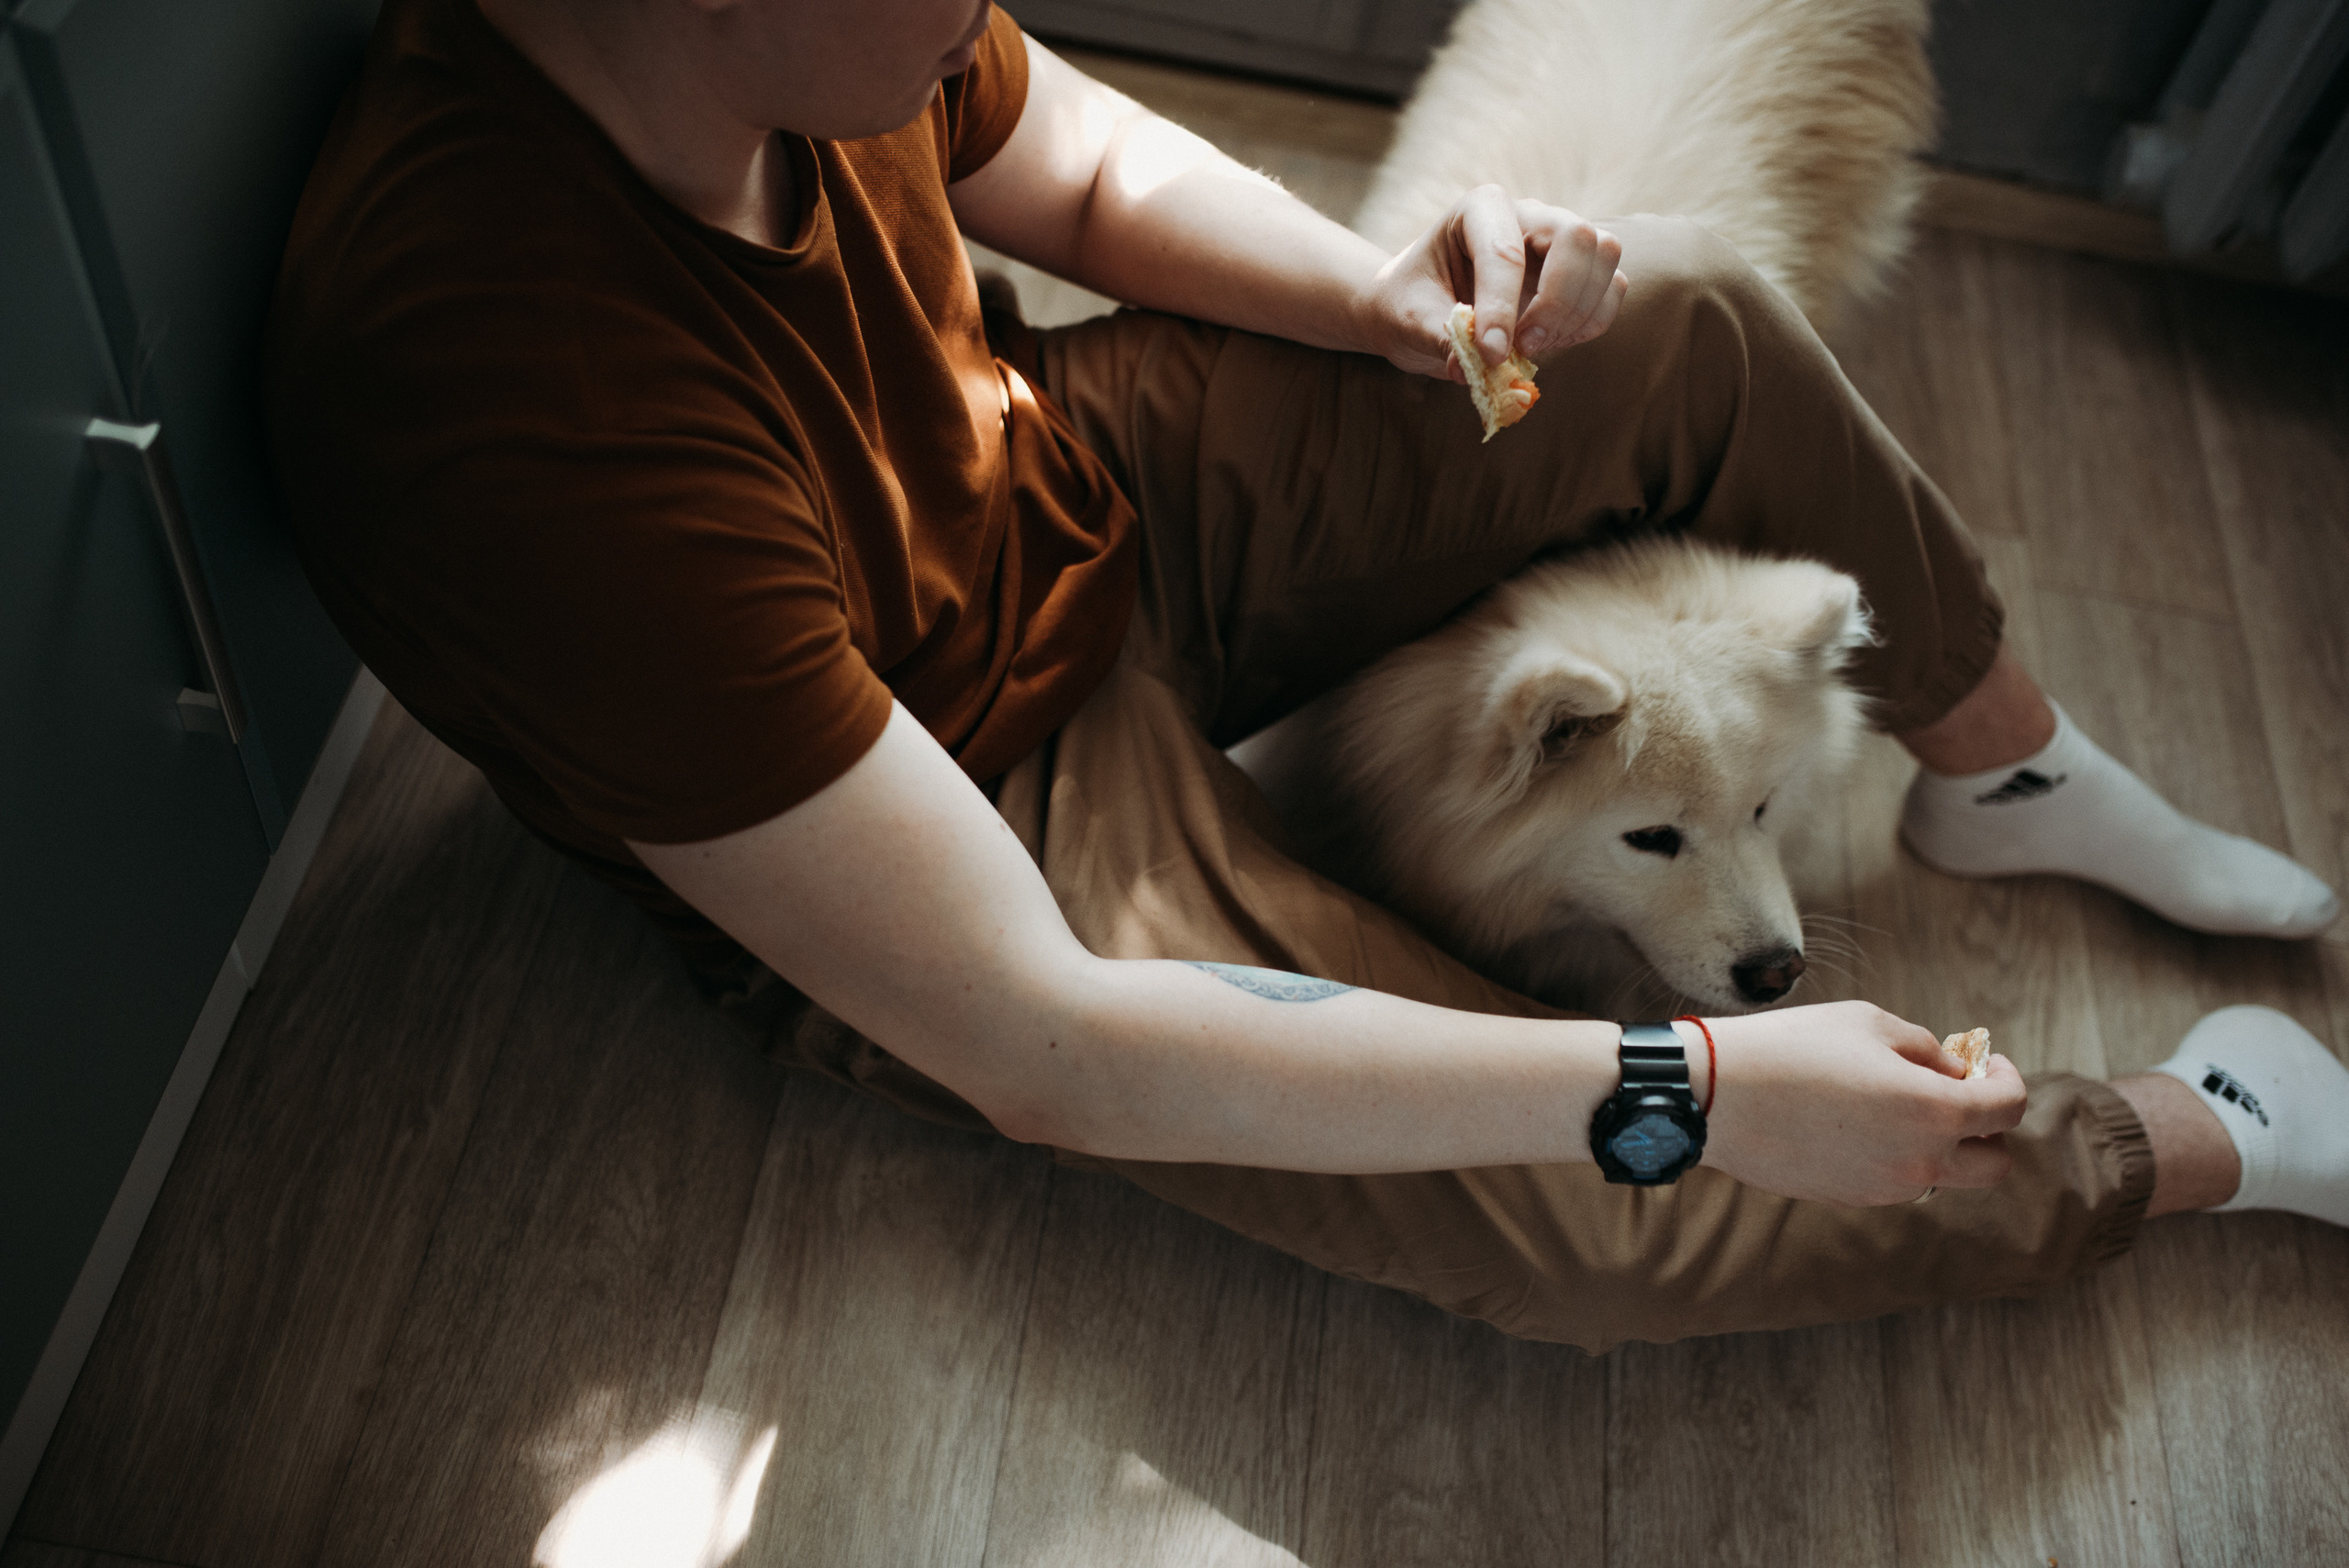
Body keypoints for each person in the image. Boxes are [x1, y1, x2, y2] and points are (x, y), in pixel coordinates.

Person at [265, 0, 2346, 1350]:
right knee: (1624, 1203)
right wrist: (1684, 1085)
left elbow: (1063, 161)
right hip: (955, 794)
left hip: (1054, 474)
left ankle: (2006, 766)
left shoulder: (793, 39)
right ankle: (2206, 1126)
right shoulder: (514, 408)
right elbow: (1036, 1039)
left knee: (1671, 331)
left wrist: (1384, 301)